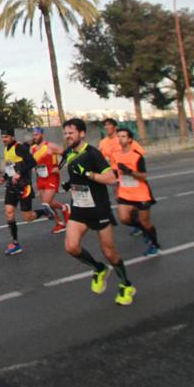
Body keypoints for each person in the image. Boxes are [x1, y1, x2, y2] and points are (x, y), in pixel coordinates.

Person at [59, 118, 135, 306]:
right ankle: (98, 268)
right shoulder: (69, 153)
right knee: (71, 247)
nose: (68, 136)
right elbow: (75, 172)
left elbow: (111, 179)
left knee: (109, 252)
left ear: (82, 134)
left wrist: (87, 174)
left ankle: (126, 285)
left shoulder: (93, 154)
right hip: (79, 208)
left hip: (99, 209)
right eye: (66, 133)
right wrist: (71, 183)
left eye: (71, 133)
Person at [112, 127, 160, 256]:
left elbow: (143, 176)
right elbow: (115, 174)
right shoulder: (115, 155)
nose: (120, 139)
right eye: (119, 136)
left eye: (123, 137)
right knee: (123, 219)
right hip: (125, 193)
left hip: (141, 194)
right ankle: (143, 230)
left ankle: (154, 245)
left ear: (130, 139)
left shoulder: (136, 157)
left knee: (145, 222)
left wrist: (129, 171)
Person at [0, 129, 37, 256]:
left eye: (6, 137)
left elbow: (32, 162)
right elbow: (10, 167)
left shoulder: (19, 147)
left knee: (28, 218)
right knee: (9, 212)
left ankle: (44, 211)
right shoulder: (6, 149)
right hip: (11, 186)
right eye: (3, 137)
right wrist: (4, 177)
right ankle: (15, 244)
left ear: (12, 137)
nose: (4, 139)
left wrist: (19, 174)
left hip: (24, 186)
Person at [31, 127, 69, 233]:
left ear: (42, 135)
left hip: (52, 177)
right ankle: (60, 222)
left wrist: (59, 167)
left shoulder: (50, 146)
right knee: (49, 203)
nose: (35, 137)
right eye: (33, 135)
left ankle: (64, 209)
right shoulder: (33, 148)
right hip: (41, 178)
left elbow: (66, 154)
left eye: (37, 134)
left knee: (46, 203)